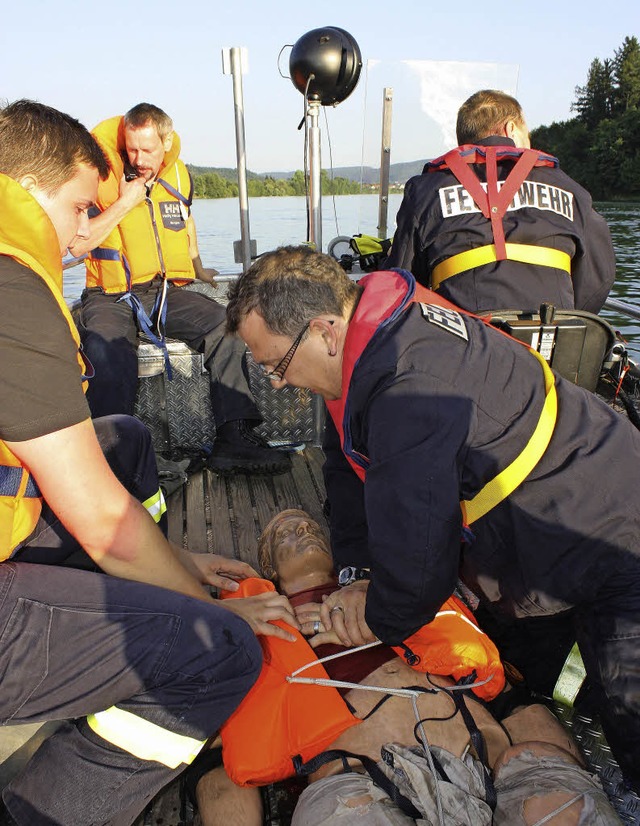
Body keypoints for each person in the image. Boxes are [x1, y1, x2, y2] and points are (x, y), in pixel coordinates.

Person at [225, 244, 640, 794]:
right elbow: (347, 473)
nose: (276, 382)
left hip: (606, 524)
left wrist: (377, 616)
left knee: (627, 707)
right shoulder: (366, 343)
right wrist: (353, 576)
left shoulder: (409, 389)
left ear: (324, 330)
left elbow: (420, 562)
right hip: (536, 523)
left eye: (276, 364)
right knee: (526, 676)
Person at [0, 99, 300, 826]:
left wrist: (175, 558)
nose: (78, 232)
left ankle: (158, 560)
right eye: (78, 208)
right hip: (119, 304)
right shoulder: (11, 287)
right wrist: (202, 605)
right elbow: (101, 519)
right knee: (215, 648)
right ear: (34, 188)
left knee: (124, 436)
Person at [190, 509, 619, 826]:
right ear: (269, 567)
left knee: (560, 802)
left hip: (476, 746)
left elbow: (495, 680)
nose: (302, 532)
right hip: (359, 777)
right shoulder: (255, 619)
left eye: (308, 527)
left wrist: (379, 618)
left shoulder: (386, 589)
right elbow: (221, 754)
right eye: (285, 533)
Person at [68, 102, 289, 474]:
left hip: (162, 291)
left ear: (166, 142)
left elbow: (185, 222)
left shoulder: (179, 174)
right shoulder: (97, 174)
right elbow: (77, 245)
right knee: (107, 353)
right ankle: (107, 464)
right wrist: (125, 203)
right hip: (110, 295)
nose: (137, 159)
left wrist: (200, 269)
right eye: (131, 148)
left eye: (147, 150)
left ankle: (234, 438)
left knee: (227, 325)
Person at [386, 89, 616, 314]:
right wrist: (571, 318)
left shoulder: (425, 190)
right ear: (511, 128)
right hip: (551, 342)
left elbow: (401, 281)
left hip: (463, 344)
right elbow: (599, 277)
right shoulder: (570, 189)